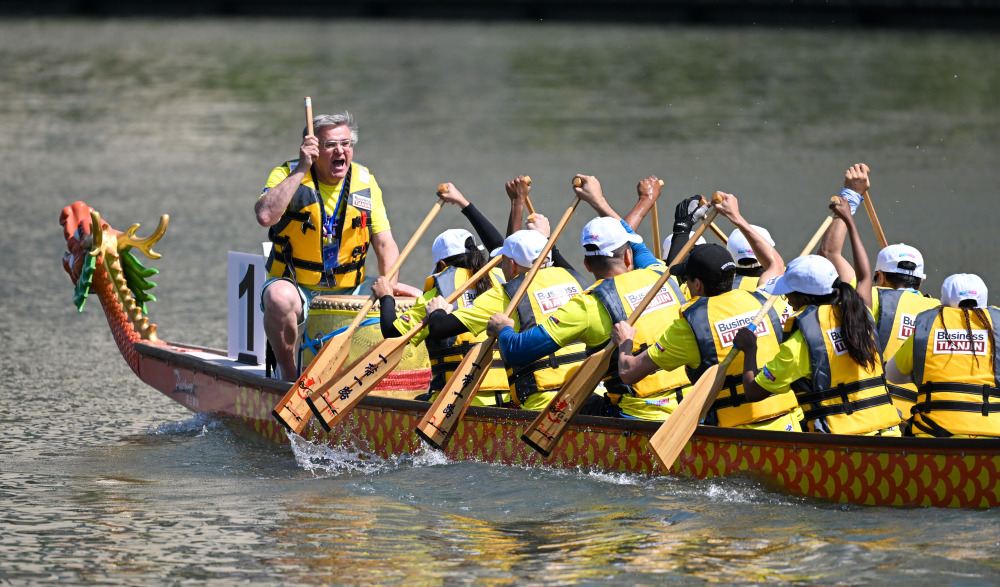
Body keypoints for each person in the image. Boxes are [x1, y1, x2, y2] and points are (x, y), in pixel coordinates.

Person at [487, 175, 692, 420]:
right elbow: (635, 241)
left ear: (586, 264)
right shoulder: (661, 274)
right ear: (628, 258)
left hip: (637, 417)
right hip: (692, 410)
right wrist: (599, 201)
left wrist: (504, 330)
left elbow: (517, 351)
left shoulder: (589, 304)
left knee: (571, 399)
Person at [613, 194, 800, 431]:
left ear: (697, 284)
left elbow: (628, 373)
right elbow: (775, 264)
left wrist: (625, 342)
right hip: (788, 424)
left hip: (733, 437)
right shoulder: (765, 300)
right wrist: (736, 218)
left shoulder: (691, 327)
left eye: (688, 280)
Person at [733, 197, 901, 435]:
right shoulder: (859, 311)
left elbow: (753, 392)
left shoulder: (801, 343)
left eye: (789, 293)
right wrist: (849, 222)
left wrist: (750, 349)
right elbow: (864, 275)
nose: (787, 298)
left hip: (844, 445)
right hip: (889, 433)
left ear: (806, 297)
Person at [255, 112, 401, 380]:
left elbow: (385, 244)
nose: (340, 151)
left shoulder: (365, 182)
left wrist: (389, 287)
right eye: (330, 145)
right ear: (312, 149)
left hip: (351, 287)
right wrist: (301, 168)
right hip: (297, 286)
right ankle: (288, 378)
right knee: (277, 297)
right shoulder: (287, 173)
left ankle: (391, 382)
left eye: (346, 144)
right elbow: (265, 217)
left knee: (411, 299)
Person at [426, 176, 590, 411]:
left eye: (502, 260)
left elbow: (441, 328)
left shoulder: (506, 295)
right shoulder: (574, 278)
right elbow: (540, 253)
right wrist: (531, 220)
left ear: (511, 266)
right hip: (588, 394)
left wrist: (437, 312)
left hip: (543, 405)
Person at [817, 163, 940, 421]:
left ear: (878, 277)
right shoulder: (940, 311)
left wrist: (851, 194)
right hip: (925, 420)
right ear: (919, 283)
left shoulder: (867, 297)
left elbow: (829, 253)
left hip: (875, 413)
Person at [371, 184, 509, 406]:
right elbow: (502, 246)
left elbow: (392, 335)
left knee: (422, 397)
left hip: (453, 401)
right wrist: (463, 202)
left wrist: (386, 297)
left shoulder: (438, 294)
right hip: (506, 398)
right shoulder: (502, 278)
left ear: (442, 264)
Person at [885, 274, 1000, 438]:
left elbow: (891, 375)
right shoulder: (997, 324)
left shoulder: (929, 323)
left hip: (932, 434)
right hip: (992, 435)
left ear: (943, 301)